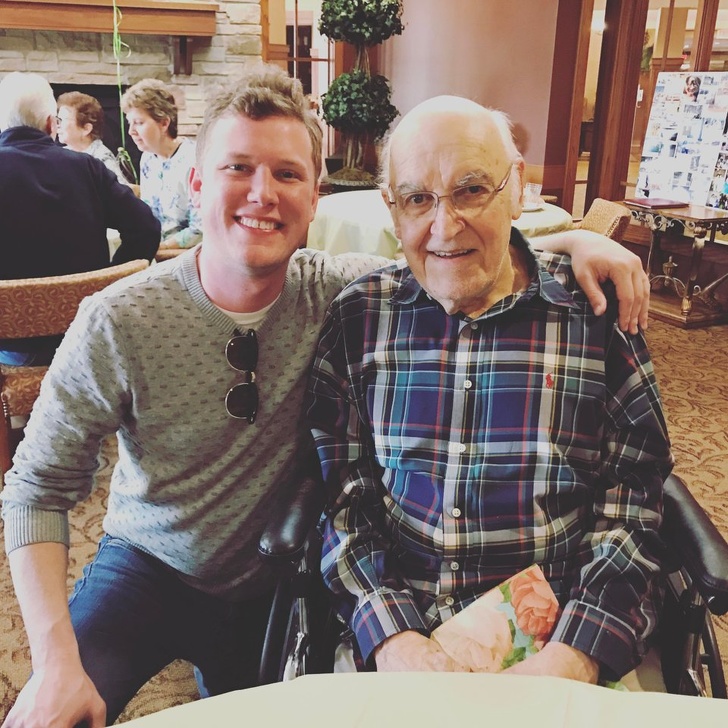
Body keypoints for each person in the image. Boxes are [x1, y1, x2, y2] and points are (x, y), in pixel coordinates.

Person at [1, 65, 651, 728]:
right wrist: (52, 663)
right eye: (237, 168)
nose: (262, 194)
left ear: (316, 197)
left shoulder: (339, 294)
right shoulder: (122, 319)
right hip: (147, 564)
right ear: (196, 183)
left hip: (271, 584)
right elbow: (34, 488)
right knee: (54, 715)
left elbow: (450, 254)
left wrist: (568, 244)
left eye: (286, 174)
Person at [306, 96, 673, 685]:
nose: (444, 226)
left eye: (471, 190)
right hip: (404, 638)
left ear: (517, 187)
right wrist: (394, 639)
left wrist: (575, 654)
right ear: (392, 209)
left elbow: (633, 497)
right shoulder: (361, 317)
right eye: (418, 199)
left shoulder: (593, 315)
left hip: (560, 640)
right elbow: (343, 497)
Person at [0, 72, 160, 366]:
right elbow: (146, 228)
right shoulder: (87, 167)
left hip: (11, 346)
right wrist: (108, 285)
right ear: (51, 124)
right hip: (87, 335)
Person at [121, 78, 203, 250]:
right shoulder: (148, 158)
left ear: (164, 123)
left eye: (139, 123)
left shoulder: (194, 160)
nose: (131, 131)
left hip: (183, 254)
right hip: (156, 248)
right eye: (129, 123)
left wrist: (160, 249)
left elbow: (200, 229)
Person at [56, 91, 129, 184]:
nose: (58, 125)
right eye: (58, 119)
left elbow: (122, 191)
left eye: (63, 120)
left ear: (86, 129)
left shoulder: (102, 160)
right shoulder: (59, 155)